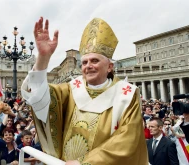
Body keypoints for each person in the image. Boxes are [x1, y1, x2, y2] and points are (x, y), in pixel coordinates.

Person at [21, 17, 148, 165]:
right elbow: (39, 98)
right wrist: (43, 58)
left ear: (109, 67)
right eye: (84, 62)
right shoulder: (71, 88)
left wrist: (84, 163)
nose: (88, 66)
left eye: (95, 61)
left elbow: (127, 140)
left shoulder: (126, 95)